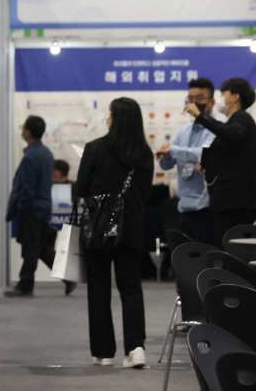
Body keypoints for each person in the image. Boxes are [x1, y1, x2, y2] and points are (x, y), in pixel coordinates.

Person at [76, 97, 154, 368]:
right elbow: (145, 194)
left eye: (109, 113)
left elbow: (82, 189)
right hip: (131, 227)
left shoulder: (94, 148)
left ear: (115, 118)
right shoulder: (145, 154)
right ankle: (136, 348)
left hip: (99, 226)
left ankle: (103, 352)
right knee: (131, 288)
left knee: (99, 287)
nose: (107, 117)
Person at [5, 115, 76, 297]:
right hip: (43, 207)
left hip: (32, 209)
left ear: (28, 132)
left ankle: (25, 285)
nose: (22, 130)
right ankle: (67, 277)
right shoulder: (46, 153)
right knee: (41, 247)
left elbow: (27, 188)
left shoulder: (31, 156)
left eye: (23, 127)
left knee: (32, 248)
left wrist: (21, 207)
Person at [184, 77, 256, 248]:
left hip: (236, 202)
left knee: (232, 251)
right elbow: (232, 153)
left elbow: (232, 135)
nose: (220, 99)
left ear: (235, 97)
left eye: (223, 94)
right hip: (229, 201)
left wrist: (200, 116)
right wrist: (207, 162)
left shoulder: (242, 118)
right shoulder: (234, 122)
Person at [155, 78, 218, 246]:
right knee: (186, 258)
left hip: (207, 207)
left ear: (212, 102)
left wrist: (173, 150)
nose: (194, 103)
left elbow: (204, 154)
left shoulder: (218, 128)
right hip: (184, 207)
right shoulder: (184, 130)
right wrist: (165, 156)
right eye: (190, 98)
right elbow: (168, 165)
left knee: (207, 257)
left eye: (200, 98)